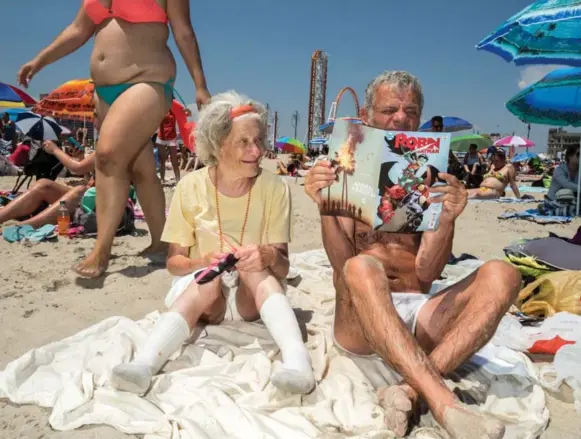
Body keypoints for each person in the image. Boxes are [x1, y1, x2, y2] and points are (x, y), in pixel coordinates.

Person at [304, 71, 520, 439]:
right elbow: (342, 267)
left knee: (504, 274)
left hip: (418, 309)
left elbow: (428, 271)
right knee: (361, 264)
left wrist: (447, 220)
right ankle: (445, 404)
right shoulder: (345, 169)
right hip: (360, 312)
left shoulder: (430, 175)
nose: (401, 118)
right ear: (368, 116)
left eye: (410, 110)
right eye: (390, 109)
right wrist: (324, 207)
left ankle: (408, 390)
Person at [110, 91, 315, 396]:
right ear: (218, 146)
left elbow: (283, 267)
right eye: (243, 142)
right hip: (205, 299)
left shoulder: (274, 187)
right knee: (207, 281)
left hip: (252, 301)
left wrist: (266, 255)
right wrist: (203, 263)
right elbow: (173, 264)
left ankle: (298, 365)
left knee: (255, 270)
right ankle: (144, 365)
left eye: (259, 141)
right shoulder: (191, 186)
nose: (256, 151)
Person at [18, 0, 211, 278]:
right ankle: (160, 243)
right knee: (141, 167)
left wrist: (200, 84)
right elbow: (77, 30)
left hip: (147, 80)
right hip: (105, 90)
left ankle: (102, 249)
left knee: (107, 157)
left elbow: (184, 32)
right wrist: (40, 60)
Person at [541, 145, 579, 216]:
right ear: (570, 156)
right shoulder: (559, 169)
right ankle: (546, 210)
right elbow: (566, 184)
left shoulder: (579, 171)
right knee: (570, 210)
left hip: (571, 198)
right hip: (554, 199)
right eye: (578, 154)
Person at [156, 109, 181, 183]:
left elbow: (185, 114)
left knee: (174, 161)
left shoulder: (174, 110)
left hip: (171, 138)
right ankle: (162, 180)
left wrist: (187, 111)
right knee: (162, 161)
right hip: (161, 138)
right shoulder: (159, 109)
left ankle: (178, 180)